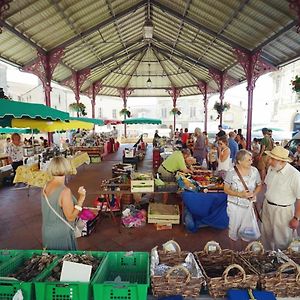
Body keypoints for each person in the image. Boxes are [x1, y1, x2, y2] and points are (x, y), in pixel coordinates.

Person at [41, 156, 86, 250]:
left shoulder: (45, 186)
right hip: (61, 234)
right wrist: (81, 198)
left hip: (47, 232)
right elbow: (70, 217)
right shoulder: (65, 191)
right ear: (66, 169)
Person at [261, 146, 300, 250]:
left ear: (282, 161)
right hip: (267, 207)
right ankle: (267, 260)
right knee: (266, 237)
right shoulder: (272, 168)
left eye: (272, 159)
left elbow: (299, 198)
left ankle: (283, 263)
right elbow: (268, 187)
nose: (269, 161)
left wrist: (296, 218)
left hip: (283, 211)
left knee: (282, 241)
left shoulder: (295, 175)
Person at [224, 150, 262, 246]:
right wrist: (239, 194)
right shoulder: (231, 172)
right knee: (233, 231)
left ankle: (244, 254)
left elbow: (259, 185)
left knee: (247, 231)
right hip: (235, 206)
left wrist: (254, 193)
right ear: (240, 161)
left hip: (249, 206)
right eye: (248, 160)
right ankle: (233, 252)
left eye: (251, 159)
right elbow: (226, 189)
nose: (251, 162)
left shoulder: (255, 171)